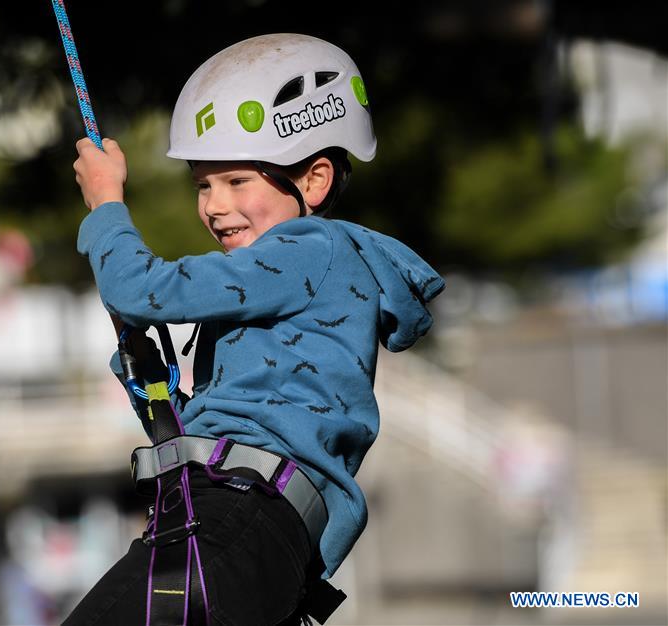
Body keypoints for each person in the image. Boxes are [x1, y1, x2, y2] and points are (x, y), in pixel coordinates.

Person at [63, 33, 445, 626]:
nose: (214, 205)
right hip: (246, 524)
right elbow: (233, 416)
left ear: (313, 182)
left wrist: (107, 205)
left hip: (240, 516)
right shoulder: (287, 285)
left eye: (237, 181)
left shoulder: (309, 249)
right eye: (203, 185)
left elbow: (140, 288)